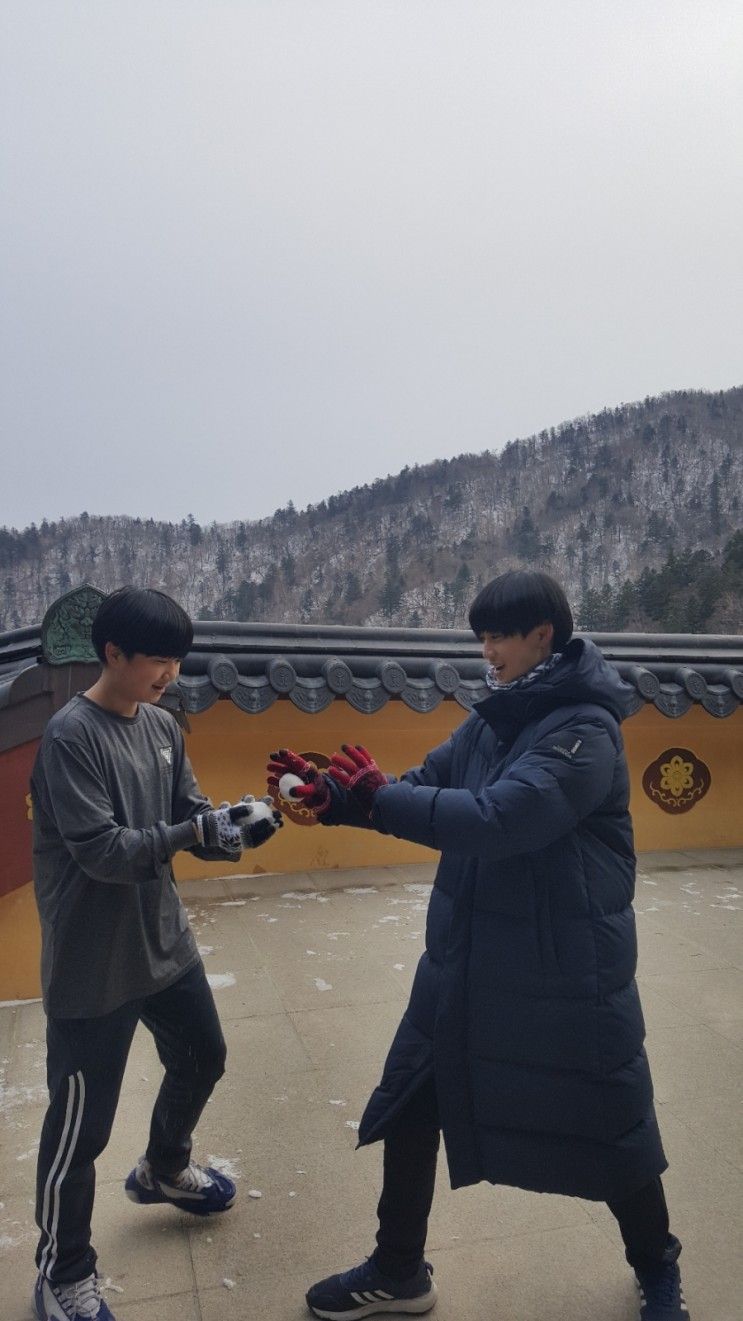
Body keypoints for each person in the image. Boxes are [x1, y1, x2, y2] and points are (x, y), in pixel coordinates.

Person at [268, 570, 689, 1321]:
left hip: (561, 970)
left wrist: (379, 797)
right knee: (409, 1100)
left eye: (498, 635)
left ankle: (657, 1265)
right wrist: (335, 797)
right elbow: (424, 788)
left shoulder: (583, 729)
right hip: (464, 958)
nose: (486, 650)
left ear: (542, 637)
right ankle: (398, 1267)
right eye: (480, 636)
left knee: (609, 1119)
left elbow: (500, 818)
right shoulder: (493, 720)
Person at [31, 586, 282, 1321]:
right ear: (113, 654)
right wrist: (192, 834)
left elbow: (187, 812)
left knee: (204, 1054)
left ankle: (165, 1166)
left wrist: (234, 825)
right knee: (81, 1129)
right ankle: (61, 1271)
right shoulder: (69, 736)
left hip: (163, 942)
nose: (170, 673)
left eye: (178, 659)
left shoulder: (163, 725)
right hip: (92, 964)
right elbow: (105, 851)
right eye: (157, 660)